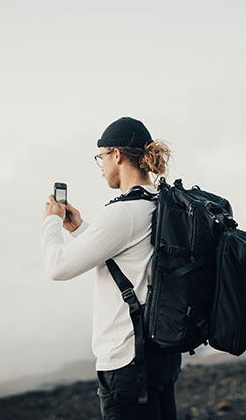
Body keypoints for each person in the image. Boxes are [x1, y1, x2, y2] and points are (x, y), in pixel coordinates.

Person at [41, 117, 181, 420]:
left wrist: (52, 221)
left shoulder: (123, 212)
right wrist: (80, 229)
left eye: (101, 157)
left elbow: (58, 267)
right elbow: (128, 257)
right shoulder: (161, 203)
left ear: (116, 155)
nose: (102, 166)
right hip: (160, 358)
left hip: (126, 365)